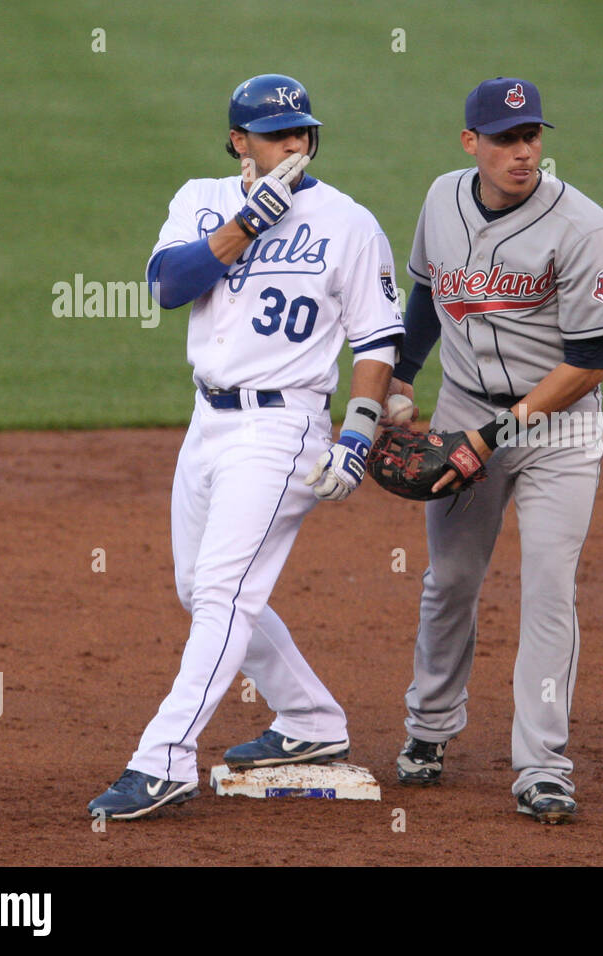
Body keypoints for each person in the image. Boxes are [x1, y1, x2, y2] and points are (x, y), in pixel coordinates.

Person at [88, 74, 403, 820]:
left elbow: (379, 335)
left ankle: (162, 761)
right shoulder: (201, 198)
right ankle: (310, 722)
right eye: (277, 135)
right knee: (198, 587)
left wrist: (357, 430)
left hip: (282, 430)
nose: (295, 145)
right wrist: (246, 224)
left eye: (303, 132)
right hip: (207, 423)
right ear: (240, 143)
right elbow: (166, 287)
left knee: (225, 595)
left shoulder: (347, 222)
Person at [389, 77, 603, 823]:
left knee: (548, 588)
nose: (523, 153)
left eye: (531, 137)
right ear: (472, 144)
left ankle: (543, 766)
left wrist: (490, 439)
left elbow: (587, 362)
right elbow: (426, 298)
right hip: (464, 409)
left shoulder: (583, 228)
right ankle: (428, 730)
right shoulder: (440, 199)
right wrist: (398, 383)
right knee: (452, 578)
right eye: (505, 140)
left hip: (559, 428)